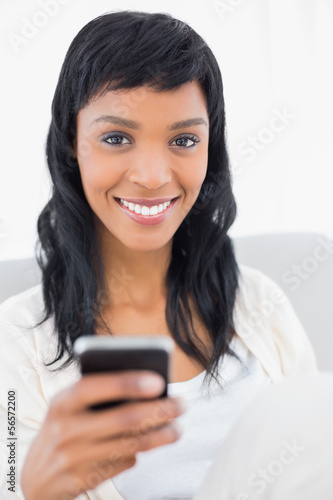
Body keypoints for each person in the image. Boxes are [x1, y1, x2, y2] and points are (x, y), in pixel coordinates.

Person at [0, 10, 317, 500]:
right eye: (116, 138)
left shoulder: (261, 304)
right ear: (71, 142)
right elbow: (8, 479)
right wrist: (33, 491)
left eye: (184, 140)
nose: (152, 175)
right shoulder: (13, 343)